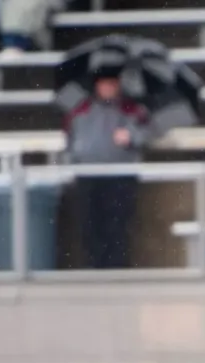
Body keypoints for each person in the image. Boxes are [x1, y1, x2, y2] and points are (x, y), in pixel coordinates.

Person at [64, 68, 150, 269]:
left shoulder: (132, 109)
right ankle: (94, 270)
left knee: (117, 227)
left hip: (120, 175)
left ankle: (117, 269)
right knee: (89, 227)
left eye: (112, 83)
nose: (108, 87)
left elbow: (148, 131)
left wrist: (131, 136)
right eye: (104, 83)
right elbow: (69, 140)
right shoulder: (80, 110)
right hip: (87, 175)